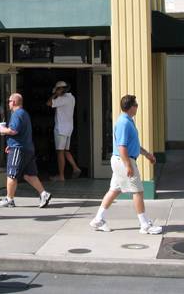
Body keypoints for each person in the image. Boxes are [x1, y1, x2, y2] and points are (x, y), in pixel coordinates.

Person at [90, 94, 162, 235]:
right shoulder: (124, 122)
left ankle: (98, 219)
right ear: (130, 107)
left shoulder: (128, 120)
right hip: (124, 161)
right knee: (138, 191)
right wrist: (128, 165)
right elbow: (122, 146)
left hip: (122, 160)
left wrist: (147, 155)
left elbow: (133, 145)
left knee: (114, 190)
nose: (137, 107)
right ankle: (144, 225)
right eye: (136, 105)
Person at [0, 93, 51, 209]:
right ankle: (44, 194)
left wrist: (3, 129)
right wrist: (10, 144)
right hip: (27, 148)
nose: (8, 103)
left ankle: (9, 199)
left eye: (9, 101)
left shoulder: (17, 114)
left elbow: (13, 131)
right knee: (29, 175)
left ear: (14, 102)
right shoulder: (24, 114)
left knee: (12, 174)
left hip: (18, 149)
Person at [46, 81, 81, 181]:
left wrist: (54, 95)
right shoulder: (71, 97)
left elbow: (48, 103)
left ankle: (61, 176)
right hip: (69, 128)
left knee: (60, 152)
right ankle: (75, 167)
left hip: (61, 128)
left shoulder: (62, 99)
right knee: (66, 151)